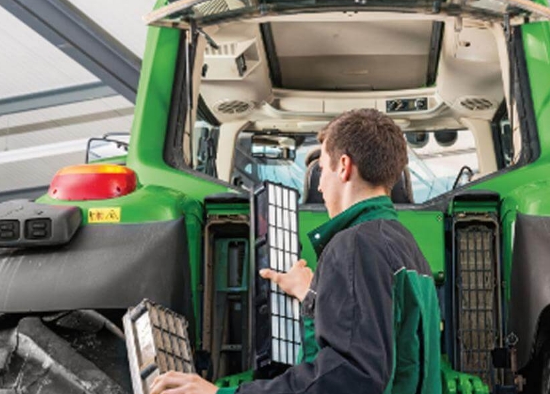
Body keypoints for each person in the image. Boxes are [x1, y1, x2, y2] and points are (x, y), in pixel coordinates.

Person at [151, 108, 440, 394]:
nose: (321, 186)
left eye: (322, 169)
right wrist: (313, 298)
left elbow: (346, 380)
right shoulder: (407, 248)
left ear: (344, 166)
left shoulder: (355, 245)